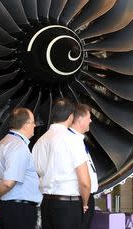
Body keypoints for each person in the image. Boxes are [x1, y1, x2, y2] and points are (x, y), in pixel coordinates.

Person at [33, 98, 91, 229]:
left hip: (46, 204)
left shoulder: (40, 142)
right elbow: (85, 182)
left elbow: (37, 172)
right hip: (68, 206)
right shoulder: (73, 140)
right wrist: (85, 202)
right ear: (71, 117)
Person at [0, 108, 42, 229]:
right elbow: (9, 182)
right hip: (19, 211)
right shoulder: (18, 146)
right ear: (25, 125)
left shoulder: (3, 143)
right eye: (33, 122)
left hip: (7, 207)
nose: (35, 125)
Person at [69, 103, 98, 229]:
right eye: (89, 117)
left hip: (83, 197)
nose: (91, 120)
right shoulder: (72, 141)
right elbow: (83, 180)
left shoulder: (78, 139)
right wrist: (85, 201)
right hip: (80, 198)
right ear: (80, 119)